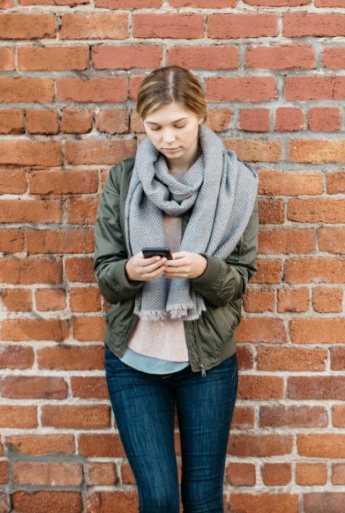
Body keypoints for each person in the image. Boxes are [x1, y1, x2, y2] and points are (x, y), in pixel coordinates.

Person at [93, 66, 258, 513]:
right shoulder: (124, 180)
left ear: (201, 115)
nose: (167, 138)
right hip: (133, 362)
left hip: (207, 363)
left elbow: (239, 280)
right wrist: (130, 271)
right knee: (159, 498)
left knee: (203, 500)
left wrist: (204, 269)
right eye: (155, 127)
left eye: (179, 124)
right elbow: (105, 274)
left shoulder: (237, 184)